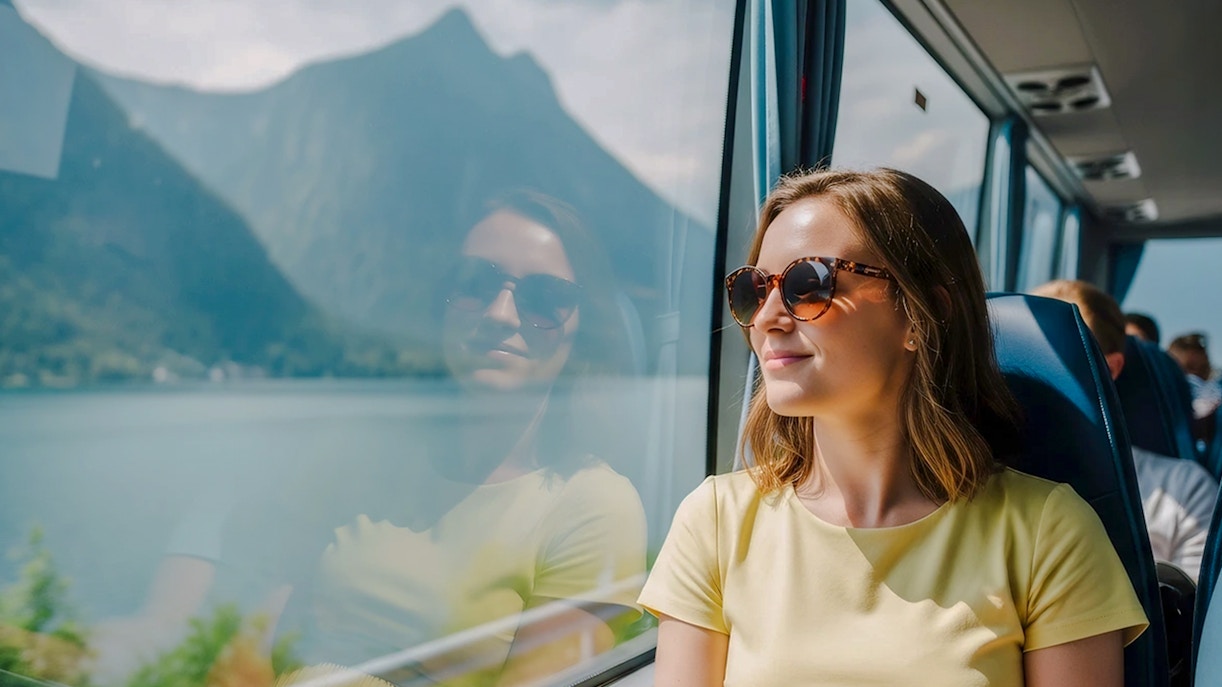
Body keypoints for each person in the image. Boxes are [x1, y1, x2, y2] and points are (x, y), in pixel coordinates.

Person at [89, 191, 648, 687]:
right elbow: (255, 649)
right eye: (476, 285)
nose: (502, 314)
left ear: (583, 329)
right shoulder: (361, 458)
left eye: (544, 297)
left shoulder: (592, 506)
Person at [638, 168, 1147, 686]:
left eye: (807, 284)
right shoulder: (717, 521)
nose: (768, 316)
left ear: (920, 315)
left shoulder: (1047, 533)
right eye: (753, 289)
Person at [1032, 280, 1218, 581]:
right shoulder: (964, 477)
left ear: (1110, 368)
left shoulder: (1184, 490)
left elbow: (1191, 621)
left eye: (1058, 355)